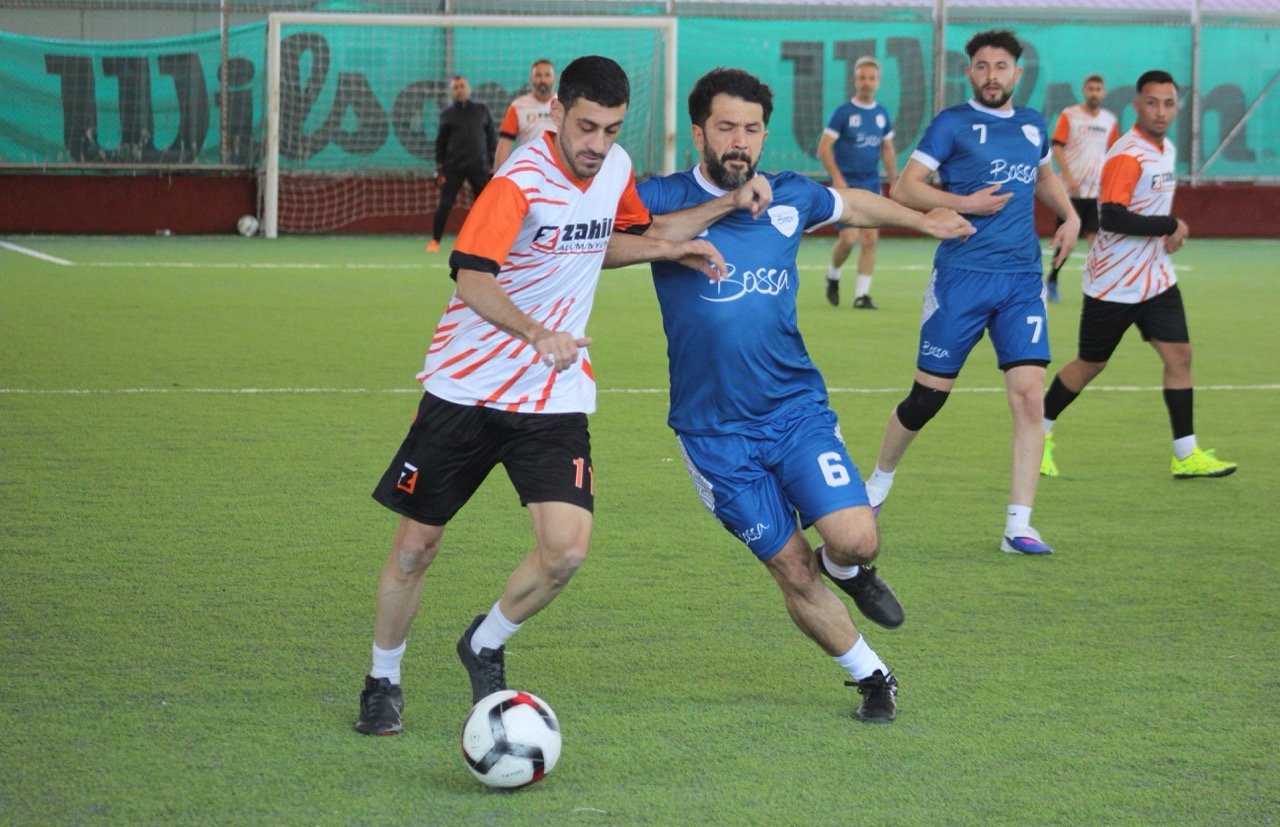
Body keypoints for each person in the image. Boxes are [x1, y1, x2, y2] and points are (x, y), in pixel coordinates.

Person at [355, 55, 763, 737]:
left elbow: (617, 238)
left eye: (611, 129)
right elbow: (470, 277)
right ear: (557, 114)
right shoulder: (518, 182)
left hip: (552, 396)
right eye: (586, 127)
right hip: (467, 388)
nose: (597, 144)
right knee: (415, 548)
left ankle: (484, 641)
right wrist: (537, 331)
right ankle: (382, 678)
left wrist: (692, 233)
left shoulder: (615, 167)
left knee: (566, 551)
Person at [637, 68, 974, 724]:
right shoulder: (663, 195)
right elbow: (631, 235)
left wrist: (922, 219)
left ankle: (848, 571)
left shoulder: (789, 194)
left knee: (857, 539)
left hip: (794, 411)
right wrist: (726, 205)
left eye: (752, 128)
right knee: (793, 568)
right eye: (726, 127)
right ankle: (872, 675)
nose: (740, 141)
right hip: (715, 434)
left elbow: (853, 205)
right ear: (699, 132)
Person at [863, 29, 1080, 555]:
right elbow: (905, 187)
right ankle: (876, 485)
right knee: (927, 399)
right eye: (982, 66)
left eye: (1001, 67)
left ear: (1017, 73)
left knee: (1029, 397)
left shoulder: (1032, 124)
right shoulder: (952, 123)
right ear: (969, 73)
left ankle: (1018, 526)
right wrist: (966, 204)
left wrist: (1070, 214)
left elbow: (1043, 176)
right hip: (961, 278)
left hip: (1021, 281)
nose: (991, 76)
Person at [1040, 70, 1237, 480]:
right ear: (1136, 105)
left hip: (1157, 279)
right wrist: (1170, 225)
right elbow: (1111, 216)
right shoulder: (1127, 154)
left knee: (1179, 356)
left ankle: (1186, 454)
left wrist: (1168, 233)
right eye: (1152, 102)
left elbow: (1149, 208)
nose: (1161, 111)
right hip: (1113, 282)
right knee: (1090, 364)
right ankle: (1037, 434)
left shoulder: (1167, 149)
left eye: (1168, 103)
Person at [817, 56, 899, 309]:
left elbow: (887, 149)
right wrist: (837, 177)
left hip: (871, 184)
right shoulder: (843, 113)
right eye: (862, 77)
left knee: (870, 239)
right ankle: (833, 275)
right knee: (848, 238)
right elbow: (824, 148)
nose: (866, 82)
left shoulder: (881, 114)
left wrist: (894, 181)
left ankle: (862, 296)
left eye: (871, 78)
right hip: (846, 187)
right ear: (855, 80)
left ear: (878, 81)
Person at [1045, 74, 1120, 302]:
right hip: (1071, 192)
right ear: (1084, 91)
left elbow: (1114, 153)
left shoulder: (1109, 121)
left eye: (1098, 89)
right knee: (1067, 241)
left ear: (1103, 93)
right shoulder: (1070, 115)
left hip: (1096, 192)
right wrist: (1069, 177)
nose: (1094, 93)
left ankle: (1099, 286)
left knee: (1096, 239)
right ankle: (1052, 279)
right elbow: (1057, 147)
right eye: (1091, 89)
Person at [429, 75, 496, 253]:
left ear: (468, 88)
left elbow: (491, 138)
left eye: (462, 86)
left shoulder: (481, 110)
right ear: (451, 92)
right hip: (453, 167)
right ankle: (435, 240)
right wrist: (440, 168)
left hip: (479, 166)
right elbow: (440, 144)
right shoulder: (447, 115)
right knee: (445, 204)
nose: (459, 90)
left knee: (484, 205)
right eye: (456, 87)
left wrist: (492, 163)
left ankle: (486, 240)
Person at [493, 59, 557, 170]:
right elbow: (504, 144)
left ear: (555, 79)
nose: (543, 80)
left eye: (547, 75)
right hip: (529, 169)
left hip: (558, 170)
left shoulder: (565, 105)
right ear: (530, 79)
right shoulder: (518, 106)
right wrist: (498, 174)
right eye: (538, 75)